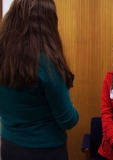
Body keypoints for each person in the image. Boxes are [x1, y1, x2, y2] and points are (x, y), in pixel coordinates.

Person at [0, 0, 79, 160]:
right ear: (48, 23)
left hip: (9, 146)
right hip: (44, 150)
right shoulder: (47, 63)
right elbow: (68, 120)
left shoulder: (3, 56)